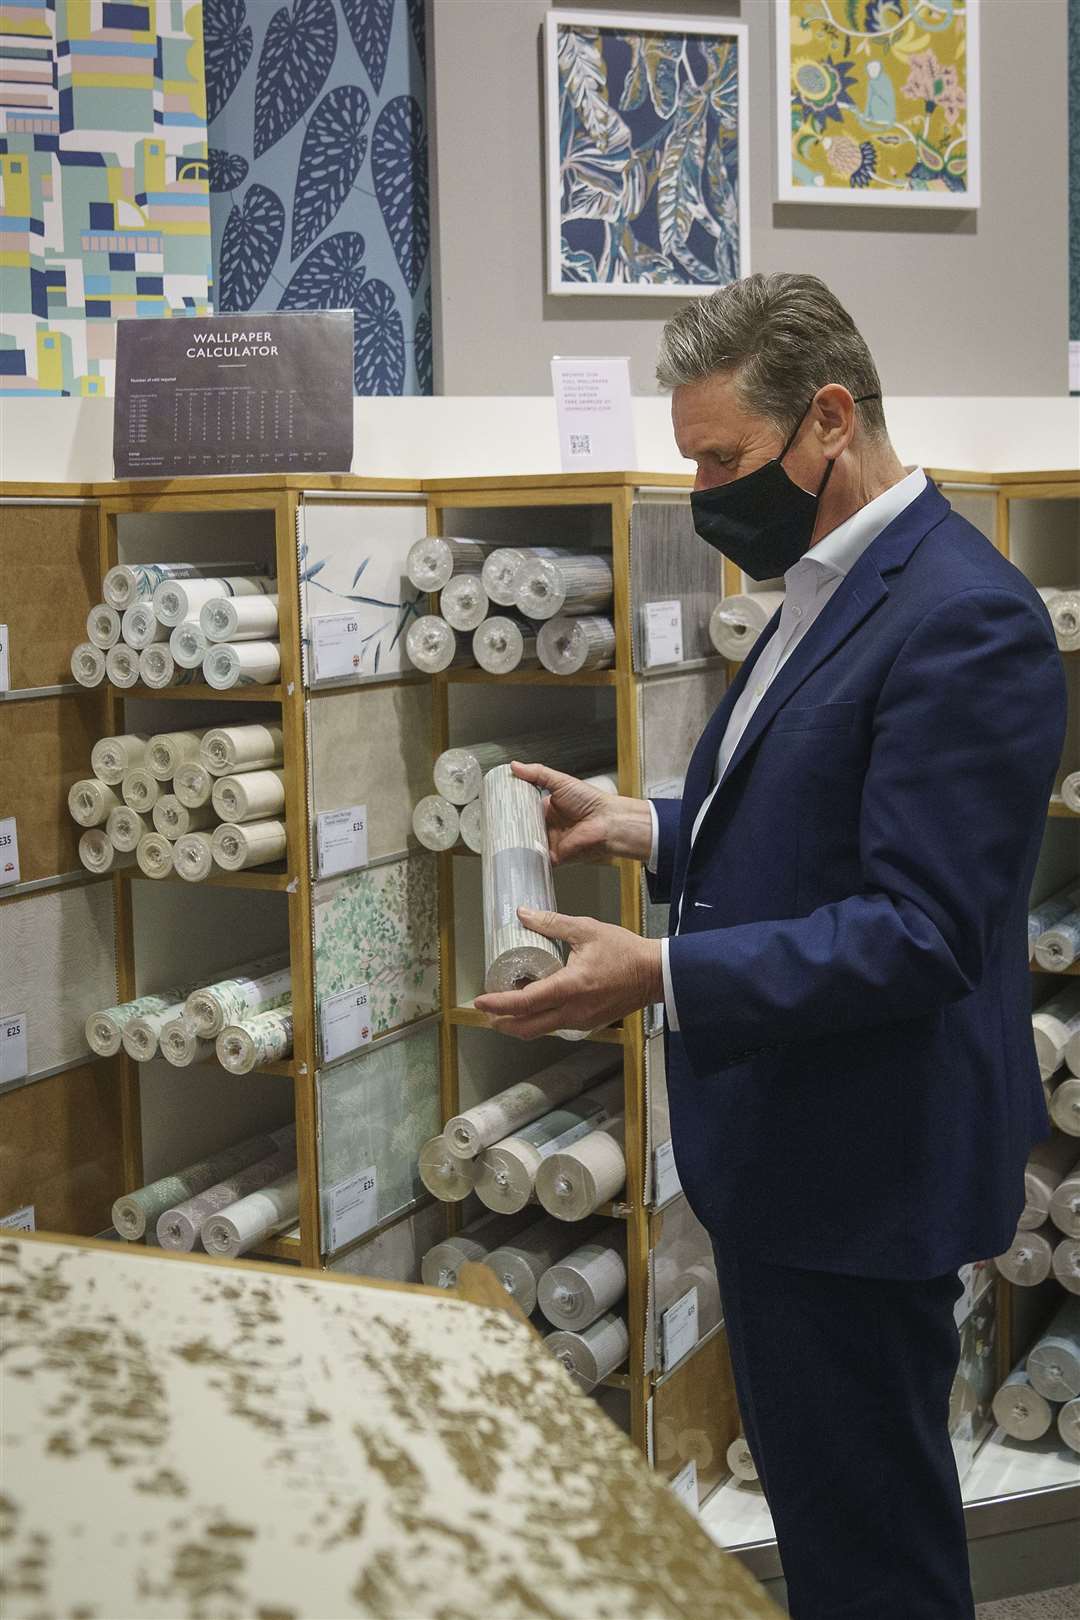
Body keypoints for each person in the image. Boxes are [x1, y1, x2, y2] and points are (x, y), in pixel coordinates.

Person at [474, 273, 1067, 1620]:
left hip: (866, 1174)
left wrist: (660, 974)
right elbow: (811, 829)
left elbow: (921, 931)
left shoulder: (964, 618)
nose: (706, 495)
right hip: (800, 1166)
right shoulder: (831, 584)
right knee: (832, 1524)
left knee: (875, 1560)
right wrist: (637, 826)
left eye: (724, 460)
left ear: (831, 420)